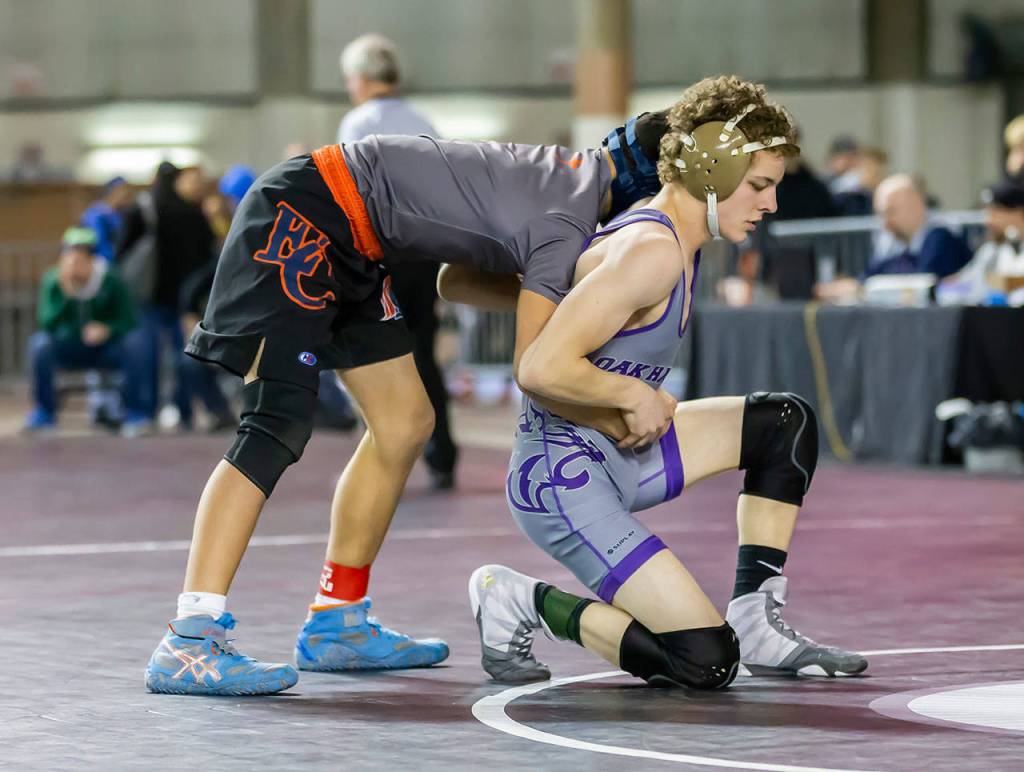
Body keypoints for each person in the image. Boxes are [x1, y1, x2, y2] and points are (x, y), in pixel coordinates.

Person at [146, 81, 673, 695]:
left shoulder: (571, 179)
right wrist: (624, 407)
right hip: (307, 212)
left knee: (404, 422)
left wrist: (567, 291)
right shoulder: (569, 219)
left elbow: (455, 282)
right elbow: (536, 369)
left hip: (356, 239)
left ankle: (336, 620)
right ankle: (189, 638)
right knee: (275, 423)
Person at [468, 77, 868, 687]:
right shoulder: (649, 250)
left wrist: (634, 401)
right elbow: (538, 367)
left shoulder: (682, 241)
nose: (771, 205)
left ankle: (755, 619)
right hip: (564, 479)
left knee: (782, 425)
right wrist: (633, 393)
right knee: (704, 661)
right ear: (712, 168)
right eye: (759, 186)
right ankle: (519, 599)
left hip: (619, 448)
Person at [338, 33, 458, 488]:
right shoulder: (424, 121)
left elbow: (351, 194)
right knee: (424, 354)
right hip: (423, 255)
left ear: (364, 79)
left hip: (380, 255)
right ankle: (442, 454)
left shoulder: (357, 123)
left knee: (375, 356)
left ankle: (387, 457)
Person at [118, 164, 216, 433]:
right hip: (185, 302)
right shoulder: (194, 212)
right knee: (184, 355)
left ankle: (143, 413)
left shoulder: (145, 208)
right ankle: (182, 412)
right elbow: (208, 256)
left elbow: (122, 250)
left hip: (148, 296)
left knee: (146, 355)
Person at [24, 228, 144, 432]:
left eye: (82, 257)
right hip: (67, 347)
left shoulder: (110, 279)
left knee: (134, 344)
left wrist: (107, 329)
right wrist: (67, 294)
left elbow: (128, 320)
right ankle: (44, 412)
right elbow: (46, 322)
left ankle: (134, 412)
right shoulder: (53, 281)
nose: (75, 264)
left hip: (104, 349)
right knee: (39, 344)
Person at [80, 176, 133, 262]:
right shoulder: (96, 213)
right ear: (113, 191)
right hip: (100, 262)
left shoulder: (121, 213)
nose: (126, 194)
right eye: (122, 190)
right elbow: (99, 243)